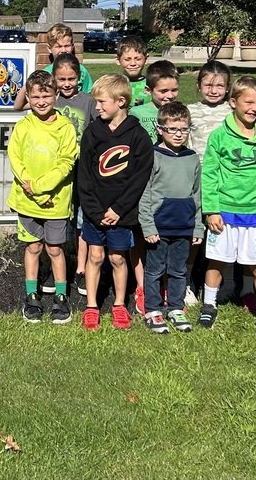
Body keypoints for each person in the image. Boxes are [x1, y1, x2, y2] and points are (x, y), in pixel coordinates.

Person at [200, 76, 256, 340]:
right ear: (233, 102)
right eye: (248, 102)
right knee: (217, 261)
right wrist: (211, 209)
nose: (254, 108)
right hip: (224, 212)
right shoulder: (219, 137)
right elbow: (210, 174)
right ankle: (209, 305)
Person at [77, 74, 153, 330]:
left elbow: (139, 177)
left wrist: (118, 210)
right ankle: (91, 306)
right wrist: (95, 210)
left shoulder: (138, 135)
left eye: (101, 102)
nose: (97, 107)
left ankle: (120, 304)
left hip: (122, 212)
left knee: (118, 258)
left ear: (121, 101)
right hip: (95, 211)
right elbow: (84, 175)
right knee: (95, 256)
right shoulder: (93, 132)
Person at [7, 70, 78, 324]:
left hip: (55, 201)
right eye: (35, 96)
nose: (40, 101)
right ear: (28, 97)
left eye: (46, 95)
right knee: (33, 247)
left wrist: (40, 187)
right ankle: (31, 294)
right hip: (27, 201)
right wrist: (30, 184)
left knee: (55, 248)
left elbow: (66, 162)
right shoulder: (23, 125)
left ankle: (60, 296)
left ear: (56, 95)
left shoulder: (65, 127)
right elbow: (15, 158)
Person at [139, 102, 204, 333]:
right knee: (155, 270)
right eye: (172, 129)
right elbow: (144, 194)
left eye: (184, 129)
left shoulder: (192, 158)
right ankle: (153, 310)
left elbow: (197, 195)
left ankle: (176, 308)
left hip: (184, 227)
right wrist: (148, 226)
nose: (178, 134)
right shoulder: (153, 156)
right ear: (159, 129)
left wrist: (198, 227)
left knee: (178, 270)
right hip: (158, 226)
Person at [128, 59, 180, 313]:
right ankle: (141, 286)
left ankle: (166, 284)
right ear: (149, 91)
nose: (169, 96)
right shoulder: (138, 115)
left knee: (166, 237)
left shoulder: (180, 114)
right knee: (140, 236)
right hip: (142, 185)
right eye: (163, 91)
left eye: (174, 90)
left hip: (169, 186)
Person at [46, 53, 96, 295]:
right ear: (54, 78)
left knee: (81, 219)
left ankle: (82, 269)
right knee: (59, 220)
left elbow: (98, 132)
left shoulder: (88, 102)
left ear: (79, 77)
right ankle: (60, 267)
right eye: (61, 78)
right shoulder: (50, 101)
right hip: (56, 172)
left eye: (71, 78)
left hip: (83, 171)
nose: (66, 83)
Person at [185, 60, 232, 306]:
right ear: (198, 85)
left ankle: (225, 278)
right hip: (197, 180)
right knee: (195, 232)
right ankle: (185, 279)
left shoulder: (232, 113)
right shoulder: (190, 111)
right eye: (208, 85)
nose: (213, 90)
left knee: (223, 230)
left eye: (219, 86)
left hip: (226, 182)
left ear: (228, 88)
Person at [116, 36, 149, 107]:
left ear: (146, 59)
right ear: (118, 60)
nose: (133, 63)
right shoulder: (113, 85)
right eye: (127, 59)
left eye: (138, 59)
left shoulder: (152, 85)